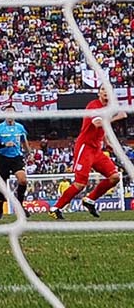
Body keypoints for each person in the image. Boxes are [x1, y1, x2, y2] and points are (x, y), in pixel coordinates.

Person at [51, 84, 128, 220]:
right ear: (99, 93)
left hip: (96, 150)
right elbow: (98, 123)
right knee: (80, 183)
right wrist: (117, 117)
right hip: (85, 148)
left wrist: (107, 142)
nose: (105, 92)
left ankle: (90, 200)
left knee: (115, 177)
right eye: (103, 89)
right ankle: (56, 208)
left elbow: (102, 128)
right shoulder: (93, 106)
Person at [0, 107, 30, 219]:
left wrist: (29, 152)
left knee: (23, 180)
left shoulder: (20, 127)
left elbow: (24, 141)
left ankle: (20, 206)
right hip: (3, 158)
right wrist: (4, 145)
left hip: (16, 157)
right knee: (2, 185)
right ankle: (0, 208)